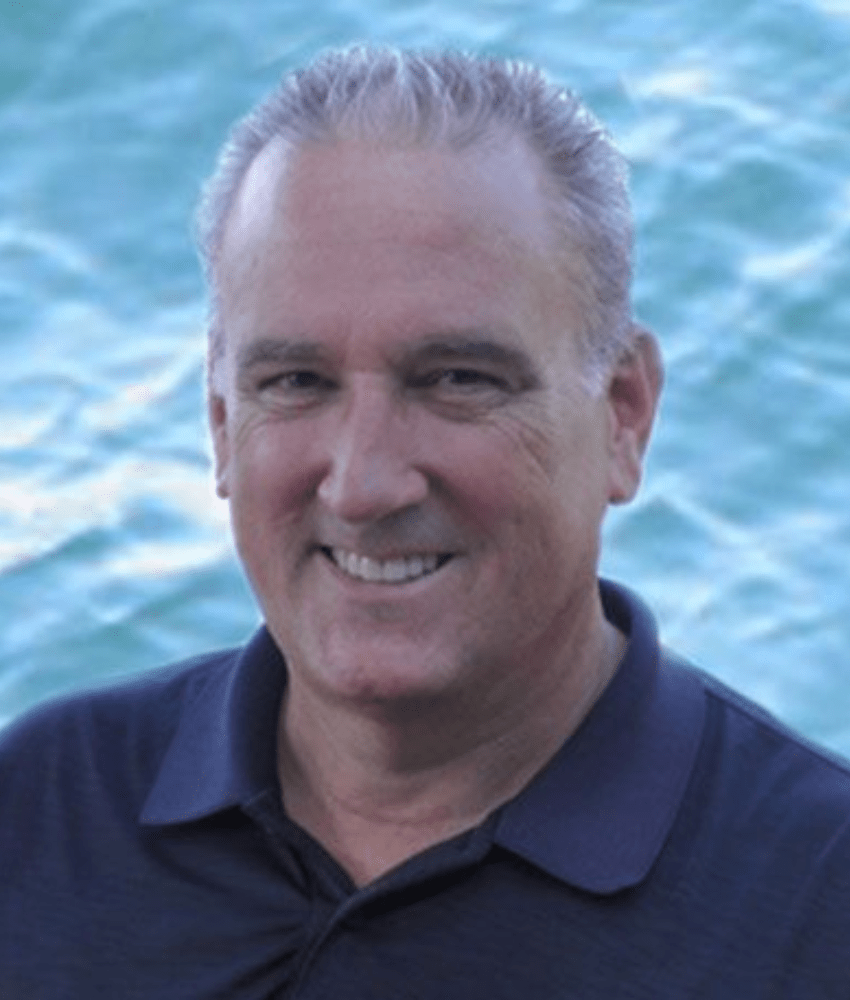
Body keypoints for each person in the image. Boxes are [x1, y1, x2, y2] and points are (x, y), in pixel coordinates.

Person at [1, 45, 849, 999]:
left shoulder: (821, 904)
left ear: (623, 416)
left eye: (457, 379)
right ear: (221, 424)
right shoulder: (42, 806)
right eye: (297, 382)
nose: (364, 484)